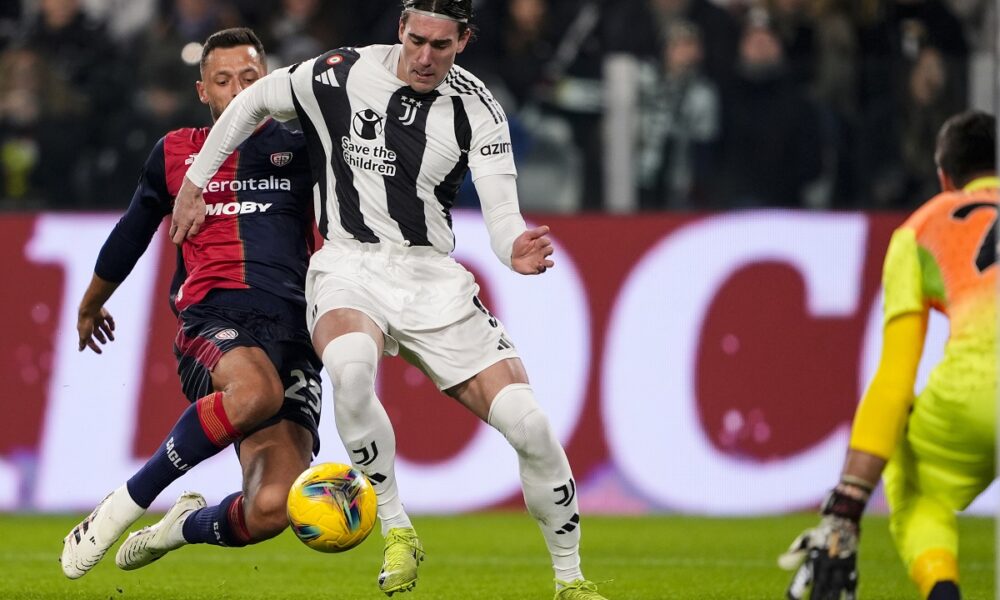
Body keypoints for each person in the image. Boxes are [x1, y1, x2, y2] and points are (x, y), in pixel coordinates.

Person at [170, 2, 610, 598]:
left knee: (529, 426)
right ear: (401, 28)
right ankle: (398, 529)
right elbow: (251, 101)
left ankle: (570, 579)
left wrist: (515, 250)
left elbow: (503, 214)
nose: (426, 57)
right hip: (348, 263)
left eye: (442, 45)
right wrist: (196, 182)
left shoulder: (479, 111)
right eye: (418, 39)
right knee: (350, 370)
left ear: (465, 41)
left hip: (431, 276)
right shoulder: (338, 73)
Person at [60, 27, 322, 578]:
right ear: (202, 90)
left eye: (249, 79)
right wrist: (90, 303)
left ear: (268, 82)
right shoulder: (176, 152)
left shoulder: (302, 149)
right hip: (217, 317)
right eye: (223, 80)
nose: (237, 91)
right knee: (254, 391)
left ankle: (181, 527)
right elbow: (132, 232)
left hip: (296, 334)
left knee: (273, 509)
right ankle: (122, 507)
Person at [779, 110, 997, 600]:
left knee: (918, 484)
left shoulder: (923, 227)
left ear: (945, 178)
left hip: (977, 394)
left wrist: (849, 502)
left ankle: (943, 588)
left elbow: (896, 379)